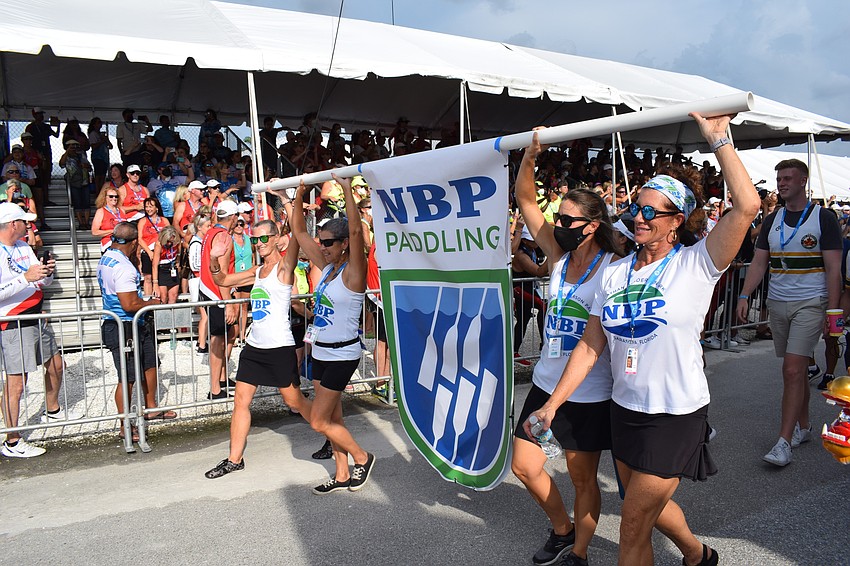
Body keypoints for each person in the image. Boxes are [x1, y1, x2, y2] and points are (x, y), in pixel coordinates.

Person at [527, 113, 760, 566]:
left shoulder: (697, 263)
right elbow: (590, 346)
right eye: (636, 208)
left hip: (674, 413)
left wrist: (719, 139)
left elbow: (747, 207)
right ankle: (697, 554)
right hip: (626, 409)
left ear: (676, 221)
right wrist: (553, 404)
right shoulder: (614, 272)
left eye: (651, 212)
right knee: (644, 509)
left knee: (631, 527)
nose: (638, 217)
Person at [512, 131, 622, 566]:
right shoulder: (557, 256)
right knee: (524, 465)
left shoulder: (613, 269)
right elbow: (525, 198)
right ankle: (562, 529)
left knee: (582, 479)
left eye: (569, 221)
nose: (559, 226)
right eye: (558, 217)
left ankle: (579, 552)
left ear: (592, 226)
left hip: (587, 393)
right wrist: (529, 157)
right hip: (545, 382)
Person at [735, 158, 843, 467]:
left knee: (793, 371)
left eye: (787, 178)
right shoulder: (773, 219)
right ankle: (804, 427)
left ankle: (783, 442)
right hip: (778, 302)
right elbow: (759, 262)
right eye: (779, 178)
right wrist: (744, 295)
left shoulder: (824, 218)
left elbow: (834, 269)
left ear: (803, 181)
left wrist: (833, 313)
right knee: (797, 369)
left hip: (811, 302)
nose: (781, 183)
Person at [204, 215, 317, 478]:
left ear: (277, 239)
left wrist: (290, 201)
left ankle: (332, 434)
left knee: (295, 401)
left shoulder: (284, 268)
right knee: (241, 402)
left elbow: (298, 232)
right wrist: (213, 258)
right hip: (255, 347)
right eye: (255, 239)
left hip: (279, 347)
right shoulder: (256, 271)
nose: (259, 243)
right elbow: (222, 280)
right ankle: (234, 459)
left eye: (264, 237)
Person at [288, 176, 376, 494]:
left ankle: (362, 458)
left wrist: (348, 190)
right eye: (321, 242)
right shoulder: (327, 268)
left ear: (343, 244)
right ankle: (341, 475)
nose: (322, 247)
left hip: (342, 353)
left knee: (318, 421)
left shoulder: (354, 272)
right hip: (321, 351)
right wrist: (298, 195)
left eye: (328, 243)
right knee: (333, 420)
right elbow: (300, 232)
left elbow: (355, 230)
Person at [0, 203, 77, 458]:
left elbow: (40, 280)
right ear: (13, 224)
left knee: (56, 365)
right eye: (25, 222)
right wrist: (25, 278)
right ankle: (12, 440)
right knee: (16, 384)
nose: (29, 225)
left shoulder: (23, 246)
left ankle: (52, 410)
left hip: (36, 315)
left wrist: (47, 273)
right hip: (13, 321)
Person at [97, 221, 176, 442]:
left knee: (150, 364)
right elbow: (129, 303)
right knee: (128, 377)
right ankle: (125, 425)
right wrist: (152, 303)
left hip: (133, 323)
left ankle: (151, 407)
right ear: (133, 243)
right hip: (123, 324)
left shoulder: (107, 257)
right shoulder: (123, 266)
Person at [199, 199, 241, 400]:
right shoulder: (224, 236)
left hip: (209, 288)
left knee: (230, 332)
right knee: (218, 339)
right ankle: (215, 388)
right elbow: (221, 273)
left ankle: (222, 378)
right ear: (233, 218)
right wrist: (229, 303)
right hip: (216, 292)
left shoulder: (210, 232)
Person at [188, 214, 212, 353]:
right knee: (204, 315)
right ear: (199, 227)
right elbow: (195, 265)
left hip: (202, 280)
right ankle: (202, 345)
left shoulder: (201, 241)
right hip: (198, 281)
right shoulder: (195, 243)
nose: (210, 228)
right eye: (207, 226)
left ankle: (201, 340)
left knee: (205, 314)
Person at [136, 197, 168, 297]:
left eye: (151, 206)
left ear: (156, 208)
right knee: (148, 278)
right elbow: (140, 239)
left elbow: (170, 234)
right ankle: (148, 300)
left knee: (161, 276)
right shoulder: (143, 221)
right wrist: (149, 252)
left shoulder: (164, 220)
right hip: (148, 251)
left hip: (162, 252)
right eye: (146, 207)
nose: (148, 209)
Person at [58, 139, 92, 230]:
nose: (74, 148)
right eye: (71, 146)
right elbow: (61, 164)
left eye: (75, 146)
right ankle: (81, 223)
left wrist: (85, 166)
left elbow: (89, 167)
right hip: (73, 182)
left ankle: (86, 222)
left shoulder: (81, 155)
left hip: (84, 181)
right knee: (77, 203)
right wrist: (67, 152)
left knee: (86, 203)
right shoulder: (66, 157)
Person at [231, 215, 254, 342]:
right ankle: (233, 335)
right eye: (237, 224)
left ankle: (242, 334)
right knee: (235, 307)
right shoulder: (230, 240)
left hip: (247, 276)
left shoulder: (249, 239)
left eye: (242, 224)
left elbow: (253, 257)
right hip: (235, 276)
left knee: (244, 306)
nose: (239, 226)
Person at [91, 184, 128, 253]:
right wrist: (113, 231)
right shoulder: (101, 211)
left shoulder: (122, 210)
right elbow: (94, 232)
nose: (114, 198)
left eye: (116, 196)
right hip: (109, 243)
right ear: (105, 197)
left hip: (124, 244)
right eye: (111, 196)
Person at [151, 226, 182, 304]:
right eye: (168, 241)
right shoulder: (158, 245)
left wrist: (178, 264)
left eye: (171, 241)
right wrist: (155, 283)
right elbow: (154, 265)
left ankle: (172, 311)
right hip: (162, 270)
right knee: (163, 297)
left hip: (172, 267)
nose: (169, 243)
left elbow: (178, 254)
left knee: (173, 296)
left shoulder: (177, 243)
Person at [87, 117, 113, 193]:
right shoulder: (93, 134)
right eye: (98, 122)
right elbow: (93, 146)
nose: (100, 124)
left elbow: (110, 146)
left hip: (104, 157)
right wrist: (102, 141)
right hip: (97, 157)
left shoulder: (101, 135)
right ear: (94, 124)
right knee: (98, 176)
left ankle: (101, 191)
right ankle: (98, 192)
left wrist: (106, 139)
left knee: (103, 176)